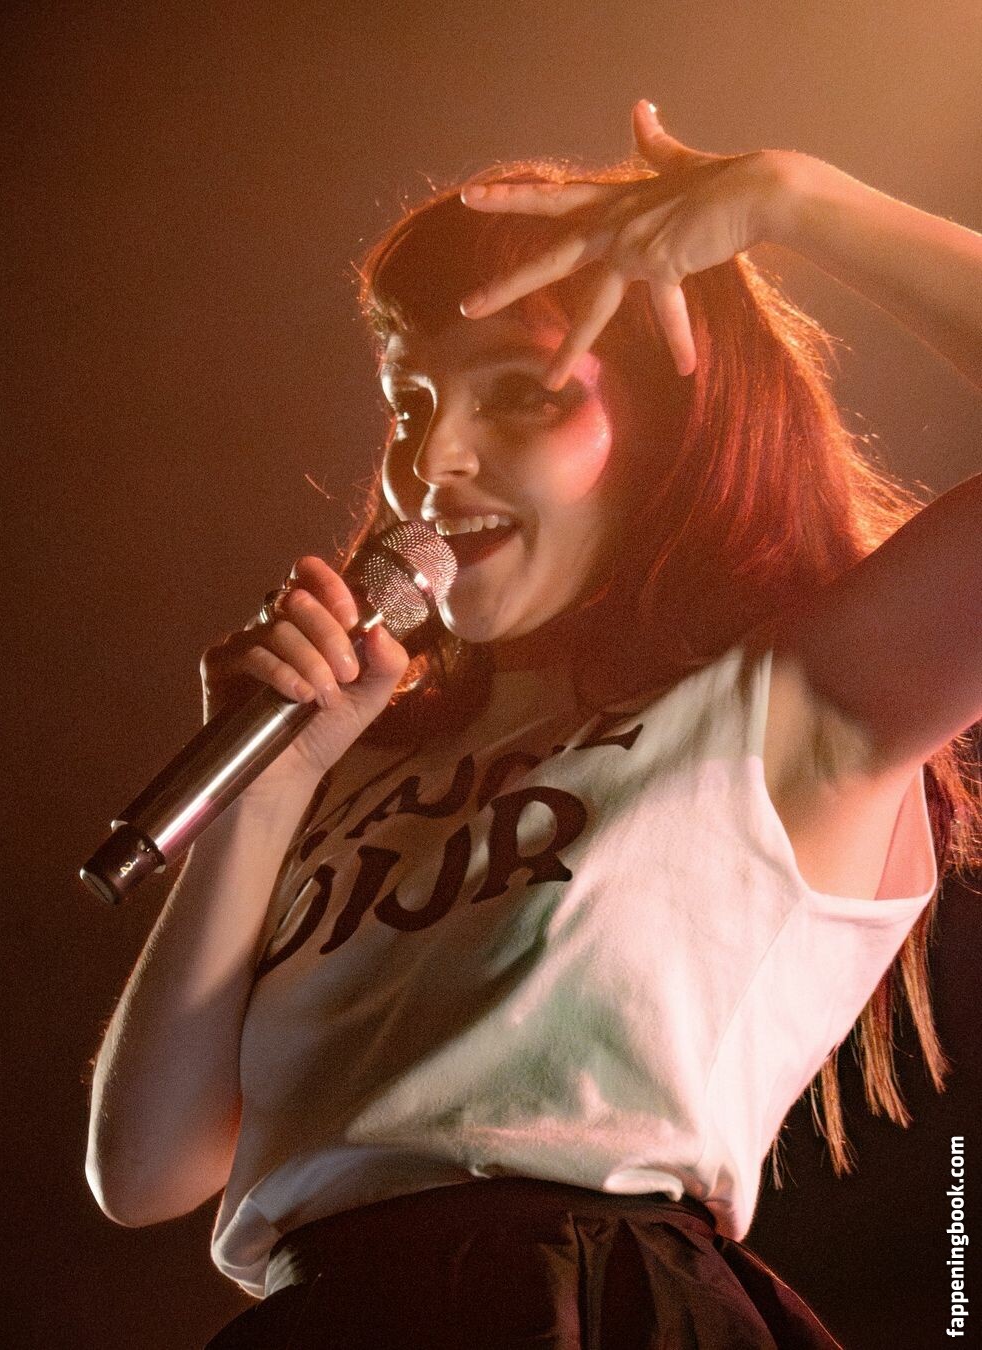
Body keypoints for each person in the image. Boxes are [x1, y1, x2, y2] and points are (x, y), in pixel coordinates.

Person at [86, 100, 982, 1348]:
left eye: (518, 393)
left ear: (671, 431)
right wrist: (270, 789)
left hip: (593, 1306)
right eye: (411, 404)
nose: (433, 459)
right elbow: (144, 1172)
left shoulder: (789, 700)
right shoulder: (352, 757)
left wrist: (796, 200)